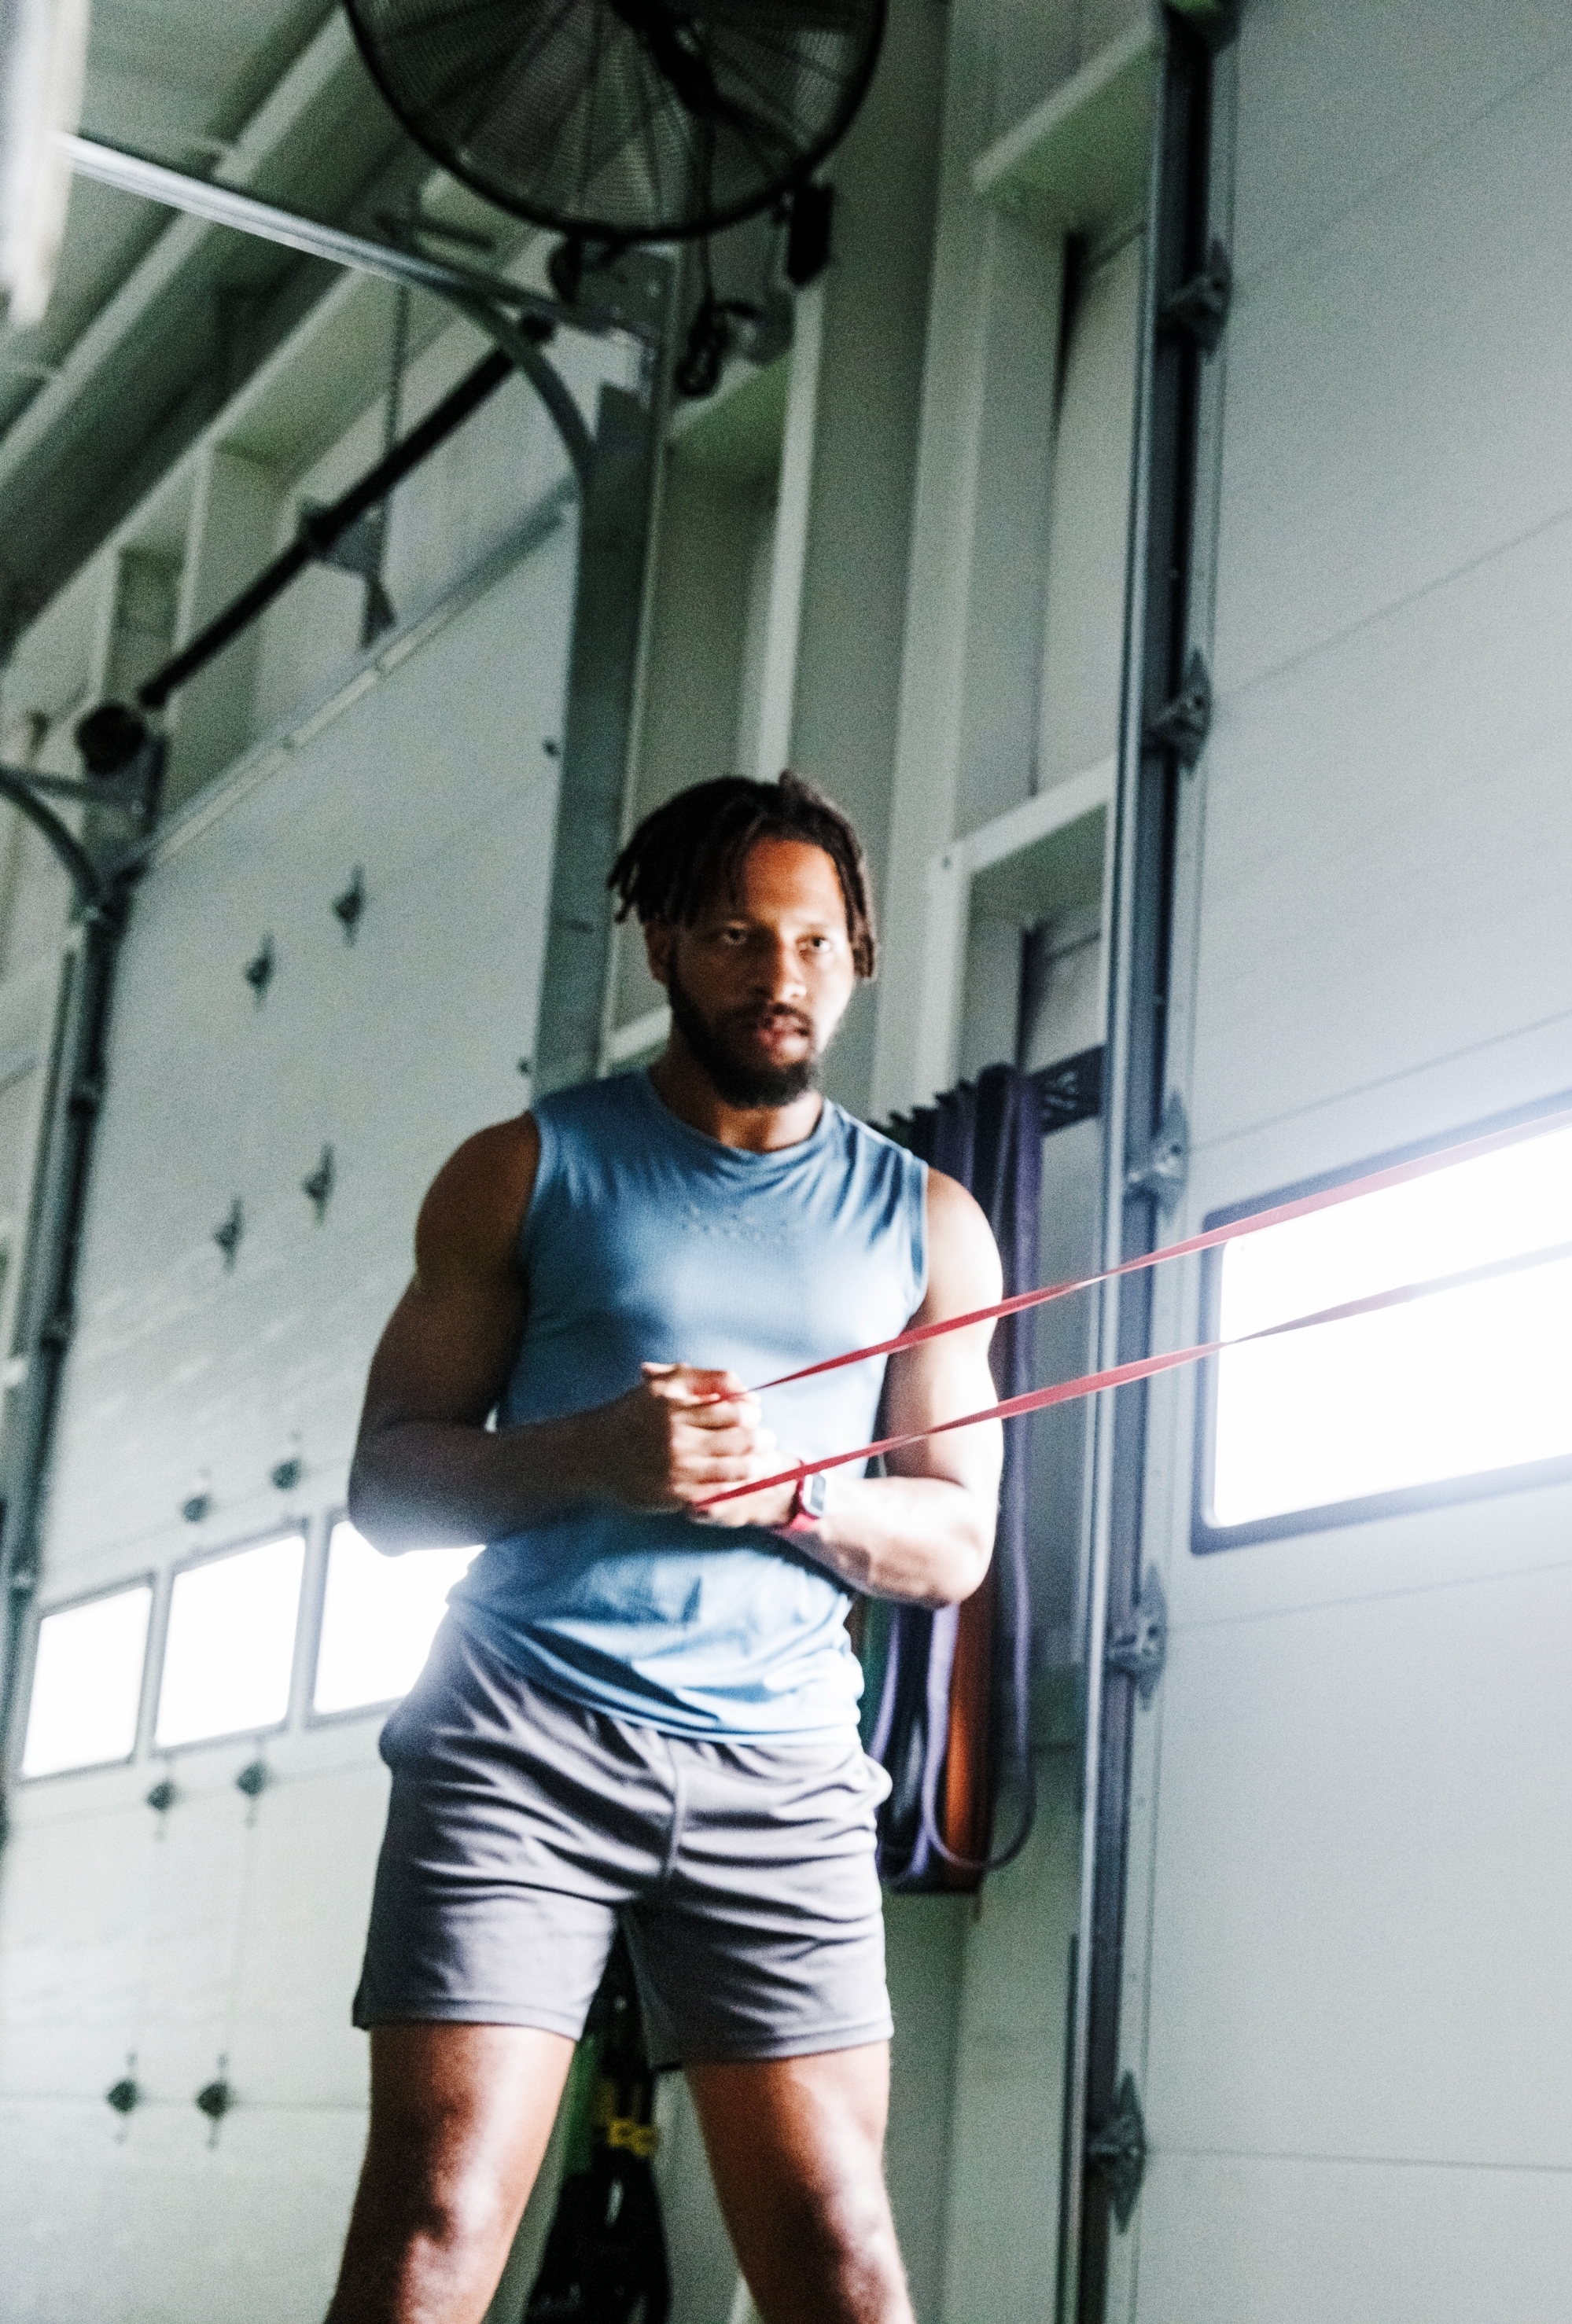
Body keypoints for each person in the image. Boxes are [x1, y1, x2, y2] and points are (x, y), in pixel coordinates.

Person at [325, 774, 1007, 2324]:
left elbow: (956, 1534)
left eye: (818, 941)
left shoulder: (930, 1222)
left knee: (841, 2252)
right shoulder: (521, 1168)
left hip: (782, 1764)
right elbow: (389, 1487)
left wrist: (793, 1494)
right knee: (435, 2213)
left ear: (860, 953)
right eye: (736, 932)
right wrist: (594, 1457)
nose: (783, 974)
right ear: (663, 947)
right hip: (523, 1734)